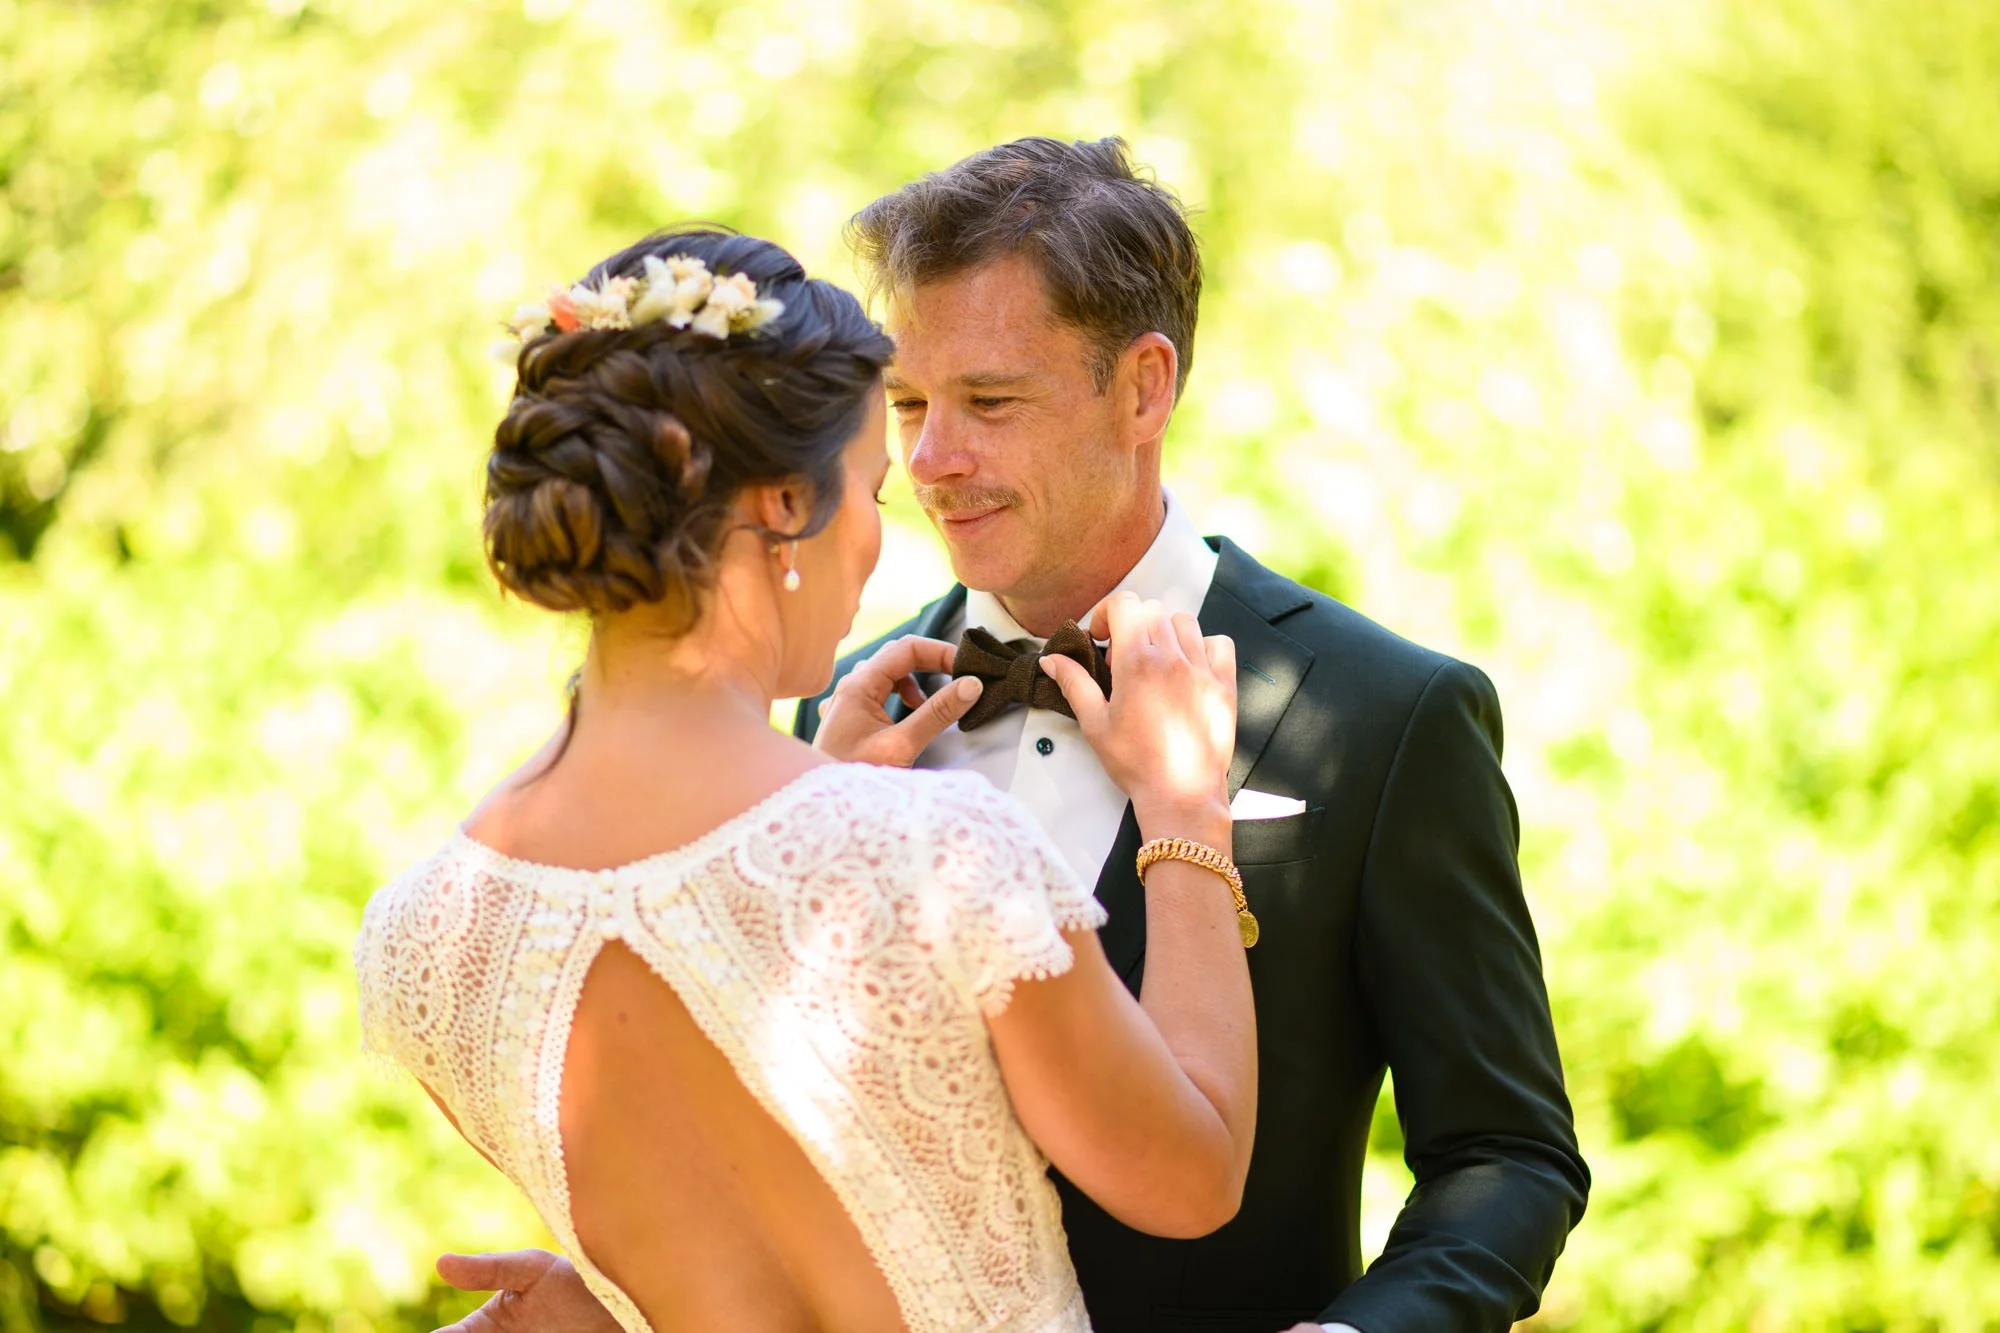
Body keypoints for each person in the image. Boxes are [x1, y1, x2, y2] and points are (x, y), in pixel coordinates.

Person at [434, 137, 1591, 1332]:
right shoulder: (819, 713)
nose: (931, 464)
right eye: (909, 408)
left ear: (1142, 388)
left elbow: (1505, 1152)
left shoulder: (1381, 715)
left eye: (987, 402)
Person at [354, 226, 1262, 1333]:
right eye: (871, 488)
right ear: (785, 506)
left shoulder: (422, 940)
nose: (886, 538)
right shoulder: (935, 856)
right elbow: (1192, 1173)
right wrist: (1181, 803)